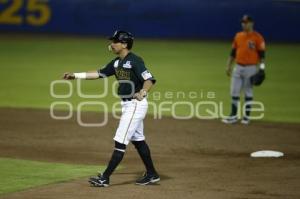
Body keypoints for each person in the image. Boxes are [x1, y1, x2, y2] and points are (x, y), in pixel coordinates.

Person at [63, 30, 160, 187]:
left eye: (115, 41)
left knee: (120, 141)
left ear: (124, 44)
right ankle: (152, 174)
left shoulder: (135, 61)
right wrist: (75, 75)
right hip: (128, 105)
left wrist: (143, 91)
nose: (111, 44)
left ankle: (105, 177)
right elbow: (99, 73)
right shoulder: (116, 62)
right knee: (138, 140)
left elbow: (149, 79)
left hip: (135, 105)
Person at [222, 15, 266, 125]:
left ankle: (246, 117)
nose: (244, 24)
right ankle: (233, 116)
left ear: (251, 23)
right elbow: (233, 52)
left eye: (246, 22)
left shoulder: (257, 37)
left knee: (248, 92)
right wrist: (228, 65)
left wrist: (261, 69)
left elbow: (262, 56)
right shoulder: (238, 36)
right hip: (238, 67)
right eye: (242, 22)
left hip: (250, 68)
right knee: (234, 91)